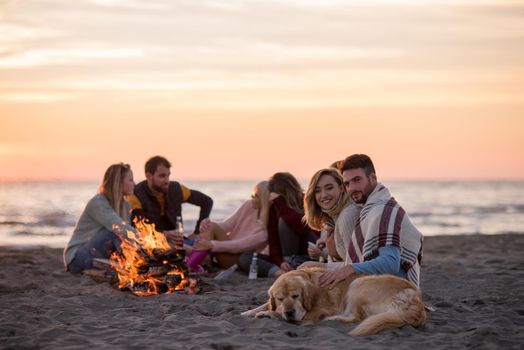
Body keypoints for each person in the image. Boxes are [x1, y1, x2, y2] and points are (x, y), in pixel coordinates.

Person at [319, 154, 424, 288]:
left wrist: (350, 268)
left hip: (393, 290)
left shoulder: (383, 210)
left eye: (357, 180)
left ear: (373, 178)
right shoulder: (370, 208)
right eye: (347, 183)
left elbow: (390, 263)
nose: (351, 188)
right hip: (381, 285)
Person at [239, 172, 318, 278]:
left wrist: (281, 204)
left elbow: (303, 229)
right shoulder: (274, 208)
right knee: (245, 257)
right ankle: (281, 273)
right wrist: (280, 262)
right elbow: (273, 243)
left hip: (308, 254)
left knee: (284, 222)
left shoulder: (306, 201)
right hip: (285, 261)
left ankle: (291, 264)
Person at [64, 163, 136, 274]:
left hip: (100, 255)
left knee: (125, 243)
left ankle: (110, 270)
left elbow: (129, 236)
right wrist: (147, 241)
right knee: (115, 233)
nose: (134, 184)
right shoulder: (98, 203)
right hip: (77, 257)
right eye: (130, 180)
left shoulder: (125, 205)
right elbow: (119, 227)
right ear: (118, 183)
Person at [128, 156, 213, 249]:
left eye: (168, 175)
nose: (167, 181)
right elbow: (138, 229)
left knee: (213, 241)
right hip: (153, 246)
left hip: (181, 242)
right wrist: (165, 234)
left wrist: (197, 232)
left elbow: (207, 201)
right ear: (149, 176)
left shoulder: (176, 189)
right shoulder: (135, 195)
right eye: (162, 176)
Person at [193, 181, 270, 268]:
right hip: (225, 249)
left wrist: (212, 244)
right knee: (210, 226)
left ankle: (192, 264)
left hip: (238, 259)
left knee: (207, 234)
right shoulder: (248, 205)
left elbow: (240, 245)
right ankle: (194, 263)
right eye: (252, 195)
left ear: (264, 200)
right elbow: (226, 225)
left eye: (255, 196)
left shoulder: (266, 230)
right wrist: (206, 223)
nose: (251, 198)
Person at [302, 168, 361, 268]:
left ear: (341, 188)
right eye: (317, 191)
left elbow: (358, 266)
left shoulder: (348, 216)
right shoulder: (333, 219)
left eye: (329, 188)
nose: (323, 195)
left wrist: (321, 266)